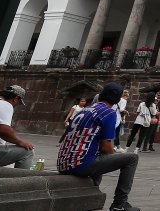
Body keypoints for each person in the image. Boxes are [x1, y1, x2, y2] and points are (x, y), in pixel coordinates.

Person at [57, 81, 141, 211]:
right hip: (80, 163)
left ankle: (92, 190)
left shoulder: (84, 111)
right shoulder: (108, 113)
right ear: (118, 100)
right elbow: (106, 147)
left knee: (98, 155)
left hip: (63, 163)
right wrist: (112, 158)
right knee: (131, 158)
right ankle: (120, 204)